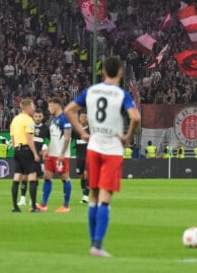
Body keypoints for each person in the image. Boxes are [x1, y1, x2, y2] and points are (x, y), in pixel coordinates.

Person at [65, 56, 141, 258]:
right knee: (105, 198)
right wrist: (127, 136)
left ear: (103, 72)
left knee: (94, 196)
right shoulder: (121, 94)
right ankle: (97, 245)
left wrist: (82, 132)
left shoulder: (91, 91)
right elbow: (135, 117)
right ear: (120, 73)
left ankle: (93, 243)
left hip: (94, 146)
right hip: (112, 149)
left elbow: (68, 110)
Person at [39, 96, 73, 213]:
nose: (49, 108)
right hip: (52, 154)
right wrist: (48, 149)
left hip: (61, 154)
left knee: (64, 177)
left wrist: (63, 153)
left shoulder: (65, 118)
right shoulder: (53, 119)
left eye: (50, 105)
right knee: (47, 176)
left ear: (57, 105)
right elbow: (53, 138)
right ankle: (43, 204)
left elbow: (67, 137)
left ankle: (66, 206)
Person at [9, 98, 42, 213]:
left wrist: (16, 149)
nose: (34, 108)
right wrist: (35, 153)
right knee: (32, 176)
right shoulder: (29, 120)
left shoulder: (15, 119)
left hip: (17, 149)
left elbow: (12, 137)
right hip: (26, 149)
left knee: (17, 176)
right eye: (33, 106)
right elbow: (29, 138)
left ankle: (15, 206)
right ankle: (33, 206)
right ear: (28, 108)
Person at [73, 110, 90, 204]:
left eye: (85, 117)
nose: (83, 118)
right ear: (79, 118)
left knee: (87, 174)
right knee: (82, 176)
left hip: (89, 156)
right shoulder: (76, 130)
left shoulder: (90, 130)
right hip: (79, 156)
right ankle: (84, 194)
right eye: (82, 117)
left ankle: (86, 196)